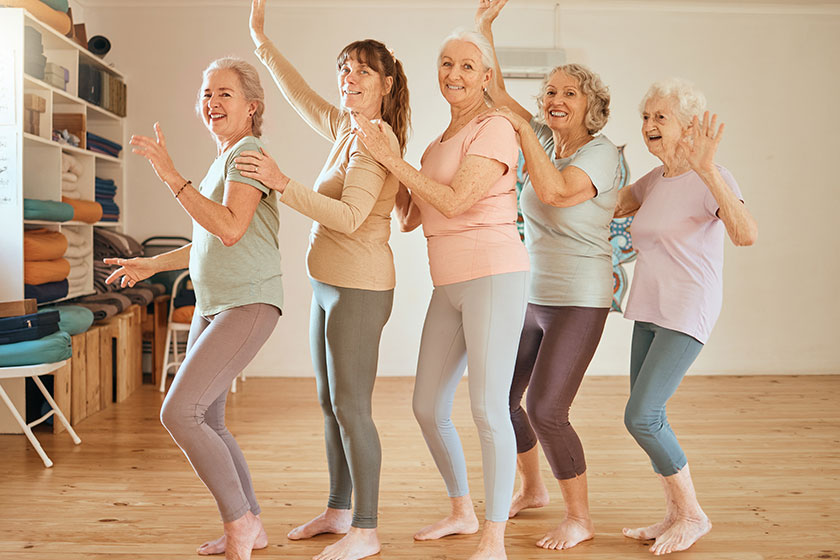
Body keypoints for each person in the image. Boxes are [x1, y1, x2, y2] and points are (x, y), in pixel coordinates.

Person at [231, 2, 410, 559]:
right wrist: (261, 41)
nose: (349, 78)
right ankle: (338, 509)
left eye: (361, 71)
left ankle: (368, 527)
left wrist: (282, 182)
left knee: (353, 407)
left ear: (384, 84)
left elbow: (352, 218)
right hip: (328, 285)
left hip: (359, 287)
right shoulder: (344, 128)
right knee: (330, 401)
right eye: (345, 69)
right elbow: (301, 94)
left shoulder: (376, 141)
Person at [354, 27, 528, 560]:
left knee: (487, 408)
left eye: (468, 66)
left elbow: (454, 202)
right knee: (427, 404)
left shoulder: (496, 128)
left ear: (487, 77)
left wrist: (394, 162)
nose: (454, 73)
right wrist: (381, 162)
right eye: (446, 63)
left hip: (493, 275)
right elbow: (411, 216)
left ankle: (494, 538)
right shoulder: (435, 143)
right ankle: (462, 510)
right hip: (447, 282)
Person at [105, 57, 284, 560]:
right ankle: (253, 524)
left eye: (224, 93)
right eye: (207, 93)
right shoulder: (224, 157)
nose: (212, 102)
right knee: (210, 418)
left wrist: (170, 176)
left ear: (252, 107)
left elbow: (229, 229)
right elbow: (207, 240)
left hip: (248, 302)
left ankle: (240, 524)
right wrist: (150, 265)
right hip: (215, 301)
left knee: (179, 411)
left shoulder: (248, 154)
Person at [473, 0, 620, 551]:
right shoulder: (542, 137)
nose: (555, 100)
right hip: (533, 294)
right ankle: (532, 489)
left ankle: (579, 517)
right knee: (503, 396)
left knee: (547, 408)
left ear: (592, 107)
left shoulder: (602, 154)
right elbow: (498, 98)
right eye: (550, 92)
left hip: (581, 298)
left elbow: (557, 196)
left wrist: (524, 128)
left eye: (569, 93)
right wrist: (486, 29)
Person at [614, 79, 757, 556]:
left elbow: (745, 234)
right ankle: (674, 512)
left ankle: (693, 514)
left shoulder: (712, 176)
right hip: (650, 308)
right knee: (649, 415)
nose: (649, 126)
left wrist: (709, 169)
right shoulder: (655, 181)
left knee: (643, 417)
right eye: (647, 117)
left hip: (687, 308)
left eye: (661, 117)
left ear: (689, 126)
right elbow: (608, 202)